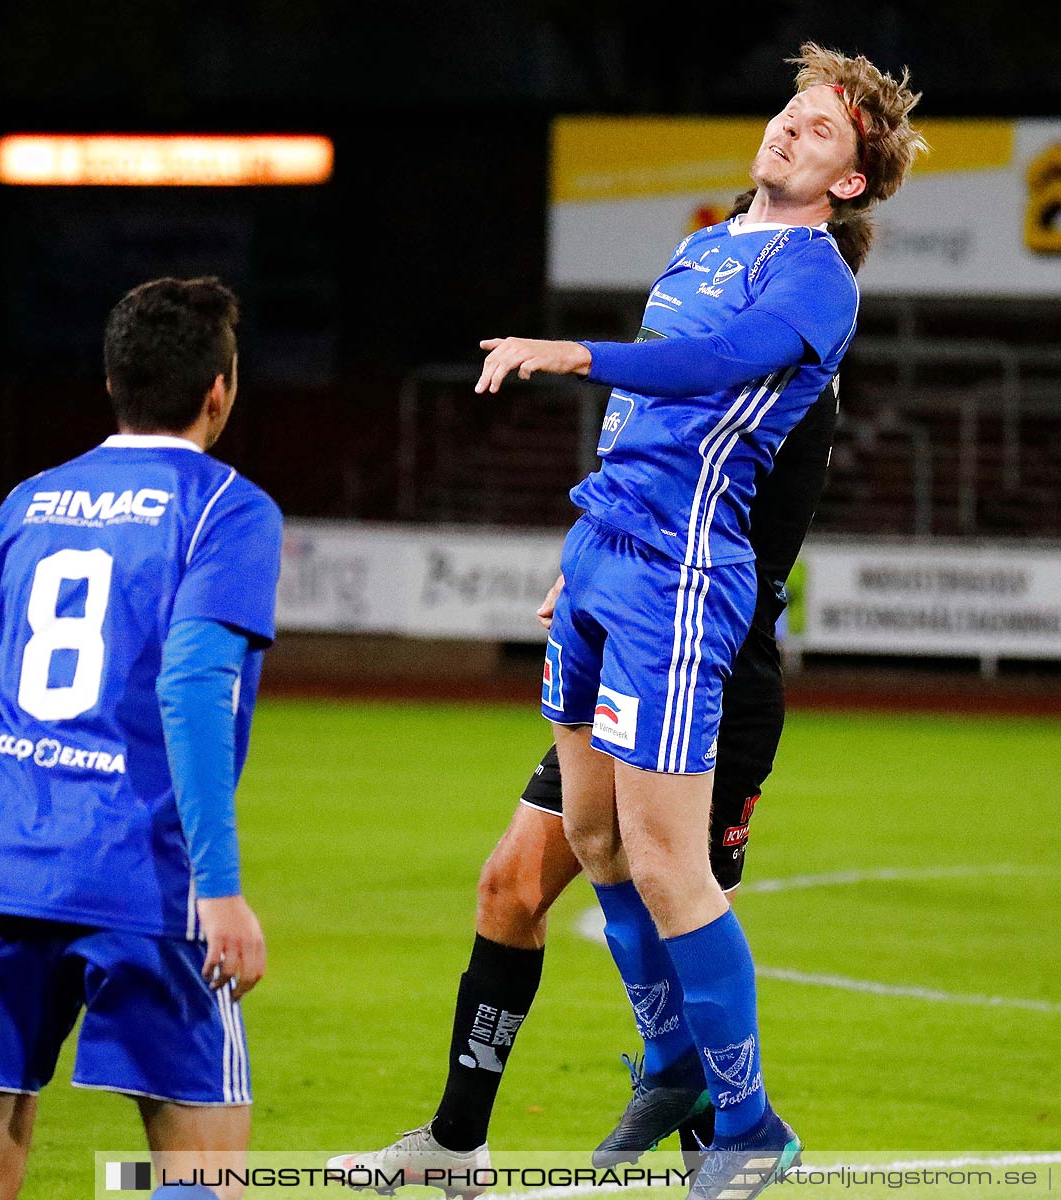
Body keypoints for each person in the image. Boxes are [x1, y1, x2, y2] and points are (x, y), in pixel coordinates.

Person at [456, 44, 924, 1200]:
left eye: (821, 133)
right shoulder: (706, 244)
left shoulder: (819, 276)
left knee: (669, 863)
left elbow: (718, 365)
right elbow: (639, 425)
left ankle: (747, 1127)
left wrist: (572, 350)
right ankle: (671, 1065)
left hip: (680, 579)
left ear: (850, 183)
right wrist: (582, 548)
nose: (790, 131)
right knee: (597, 841)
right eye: (790, 112)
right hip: (608, 561)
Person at [327, 187, 860, 1189]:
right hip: (627, 619)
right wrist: (592, 559)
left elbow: (737, 527)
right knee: (512, 885)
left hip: (709, 657)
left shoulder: (788, 367)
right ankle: (456, 1145)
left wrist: (581, 365)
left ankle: (731, 1143)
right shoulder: (708, 297)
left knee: (672, 895)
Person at [0, 277, 283, 1200]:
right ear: (218, 391)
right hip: (147, 882)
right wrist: (221, 886)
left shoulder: (29, 502)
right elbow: (195, 687)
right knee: (202, 1168)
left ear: (112, 381)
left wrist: (29, 810)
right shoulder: (229, 509)